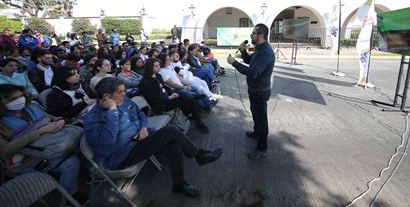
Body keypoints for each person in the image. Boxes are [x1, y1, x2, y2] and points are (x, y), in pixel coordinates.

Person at [83, 77, 223, 197]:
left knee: (173, 147)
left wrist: (143, 128)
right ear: (107, 97)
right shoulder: (93, 118)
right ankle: (199, 155)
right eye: (120, 92)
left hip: (140, 140)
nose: (124, 94)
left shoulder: (124, 101)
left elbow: (141, 115)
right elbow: (107, 143)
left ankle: (179, 184)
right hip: (121, 155)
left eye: (124, 90)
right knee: (169, 131)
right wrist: (112, 111)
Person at [0, 84, 81, 197]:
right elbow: (3, 151)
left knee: (78, 147)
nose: (20, 100)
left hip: (52, 144)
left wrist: (60, 121)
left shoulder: (30, 107)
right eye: (13, 99)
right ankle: (70, 198)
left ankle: (73, 192)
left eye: (21, 96)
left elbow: (50, 117)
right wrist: (39, 132)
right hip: (27, 161)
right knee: (72, 161)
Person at [226, 23, 275, 159]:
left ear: (261, 35)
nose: (251, 36)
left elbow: (253, 72)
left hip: (260, 91)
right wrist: (243, 51)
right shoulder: (259, 49)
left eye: (253, 33)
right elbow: (250, 61)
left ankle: (262, 148)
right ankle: (256, 133)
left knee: (261, 119)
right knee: (255, 113)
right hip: (255, 90)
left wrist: (234, 63)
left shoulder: (265, 52)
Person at [138, 58, 210, 133]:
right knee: (188, 98)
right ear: (150, 67)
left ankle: (194, 115)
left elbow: (164, 87)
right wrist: (168, 97)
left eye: (159, 65)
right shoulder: (144, 83)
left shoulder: (158, 75)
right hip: (160, 105)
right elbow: (152, 98)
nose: (159, 67)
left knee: (185, 95)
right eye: (156, 66)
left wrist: (172, 93)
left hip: (167, 98)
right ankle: (198, 123)